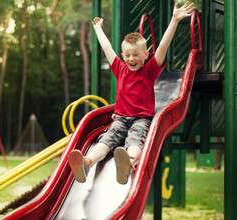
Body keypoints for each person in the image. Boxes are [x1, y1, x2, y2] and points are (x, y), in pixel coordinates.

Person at [68, 2, 194, 184]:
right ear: (123, 55)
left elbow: (163, 47)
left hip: (142, 119)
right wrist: (98, 29)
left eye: (136, 55)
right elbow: (106, 48)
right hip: (120, 118)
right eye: (127, 55)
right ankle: (87, 162)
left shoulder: (150, 70)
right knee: (107, 139)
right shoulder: (120, 68)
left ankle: (129, 162)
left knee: (136, 140)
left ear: (145, 55)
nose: (131, 58)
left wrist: (174, 20)